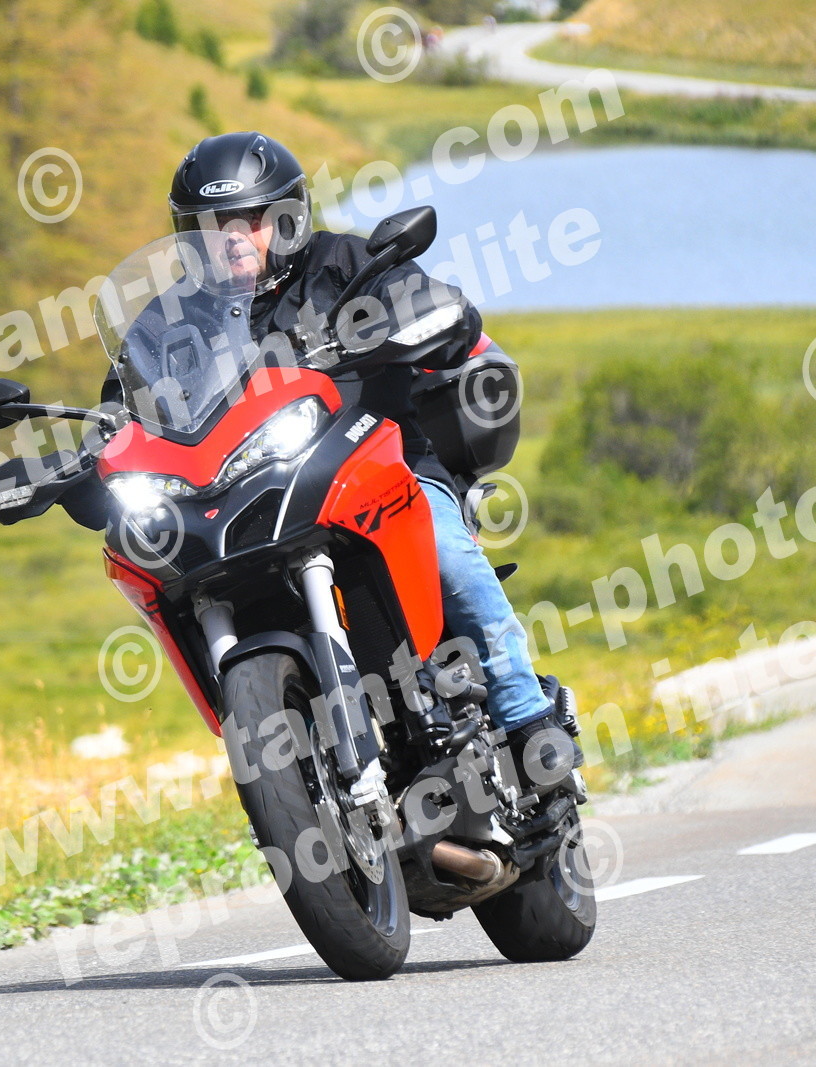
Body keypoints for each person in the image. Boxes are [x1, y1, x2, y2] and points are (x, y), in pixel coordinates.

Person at [109, 131, 579, 797]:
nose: (233, 239)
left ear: (287, 217)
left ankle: (529, 720)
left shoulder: (344, 265)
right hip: (247, 501)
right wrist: (74, 452)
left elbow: (429, 301)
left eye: (250, 219)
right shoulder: (168, 322)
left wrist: (423, 315)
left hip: (382, 469)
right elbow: (121, 406)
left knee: (446, 550)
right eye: (213, 226)